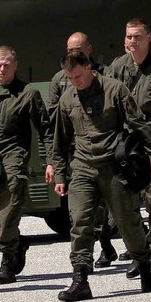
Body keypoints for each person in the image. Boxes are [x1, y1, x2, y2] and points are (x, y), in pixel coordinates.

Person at [52, 52, 151, 302]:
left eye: (78, 76)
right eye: (69, 78)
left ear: (89, 68)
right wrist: (60, 173)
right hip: (82, 166)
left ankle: (145, 264)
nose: (74, 82)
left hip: (114, 166)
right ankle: (80, 279)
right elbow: (60, 141)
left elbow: (138, 124)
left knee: (127, 221)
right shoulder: (67, 99)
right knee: (79, 222)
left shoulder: (115, 90)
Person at [0, 46, 52, 285]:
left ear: (15, 65)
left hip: (13, 155)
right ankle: (17, 242)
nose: (2, 68)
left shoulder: (27, 93)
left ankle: (7, 259)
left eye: (6, 64)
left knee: (9, 206)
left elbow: (45, 129)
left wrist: (49, 162)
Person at [106, 18, 151, 279]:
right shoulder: (118, 66)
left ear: (149, 37)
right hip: (126, 142)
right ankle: (139, 251)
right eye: (128, 36)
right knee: (124, 200)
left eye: (137, 36)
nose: (132, 41)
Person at [44, 32, 117, 269]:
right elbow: (55, 120)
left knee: (106, 202)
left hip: (104, 147)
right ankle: (89, 257)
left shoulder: (105, 75)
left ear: (89, 50)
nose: (73, 53)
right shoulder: (60, 80)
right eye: (69, 49)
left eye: (78, 49)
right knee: (84, 206)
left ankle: (106, 240)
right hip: (77, 150)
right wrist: (54, 162)